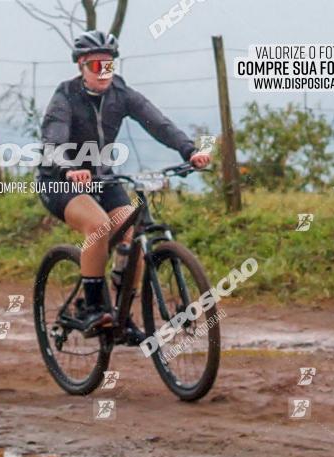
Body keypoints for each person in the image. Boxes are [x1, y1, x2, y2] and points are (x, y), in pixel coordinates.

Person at [37, 30, 211, 337]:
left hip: (103, 178)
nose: (103, 72)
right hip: (60, 180)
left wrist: (189, 150)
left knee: (131, 236)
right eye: (95, 66)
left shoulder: (121, 93)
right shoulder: (65, 96)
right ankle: (92, 307)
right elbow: (53, 141)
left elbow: (157, 122)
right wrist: (69, 168)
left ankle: (120, 317)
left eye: (108, 65)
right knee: (99, 226)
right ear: (81, 66)